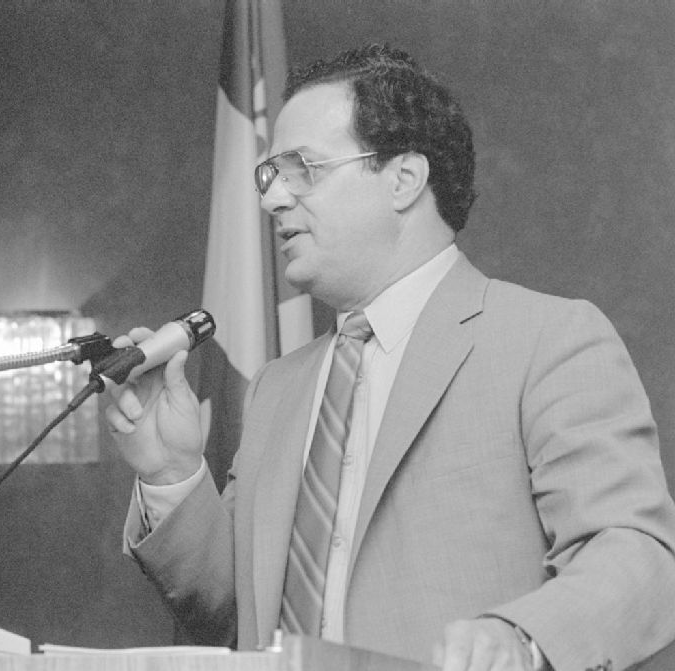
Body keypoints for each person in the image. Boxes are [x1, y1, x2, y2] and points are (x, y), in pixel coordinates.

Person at [105, 44, 675, 671]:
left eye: (302, 169)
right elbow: (236, 613)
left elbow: (639, 557)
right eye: (270, 176)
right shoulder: (275, 388)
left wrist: (522, 638)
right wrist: (171, 473)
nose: (272, 200)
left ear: (404, 179)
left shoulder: (547, 340)